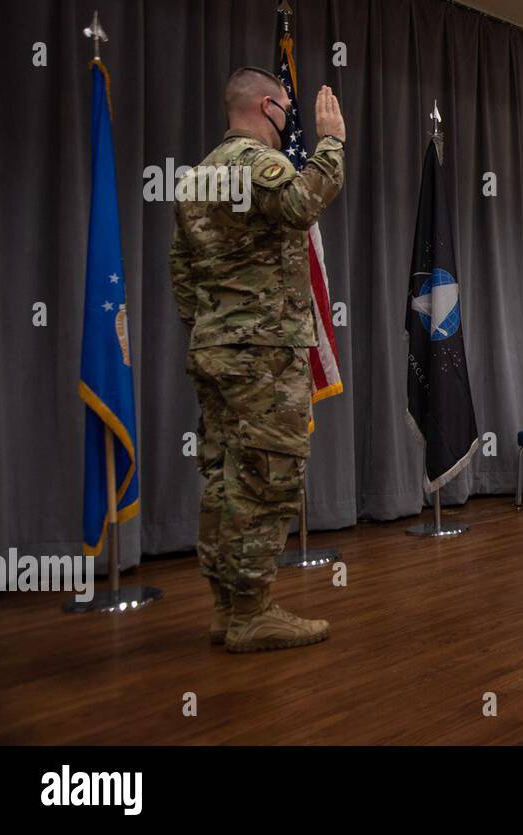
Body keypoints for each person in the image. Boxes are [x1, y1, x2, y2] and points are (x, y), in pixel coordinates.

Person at [169, 67, 346, 652]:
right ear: (268, 106)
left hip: (215, 349)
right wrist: (331, 145)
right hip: (263, 353)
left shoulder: (194, 180)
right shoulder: (254, 163)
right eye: (287, 108)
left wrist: (214, 330)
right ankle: (252, 612)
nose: (290, 117)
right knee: (267, 476)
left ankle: (225, 608)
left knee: (222, 475)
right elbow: (300, 205)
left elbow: (182, 274)